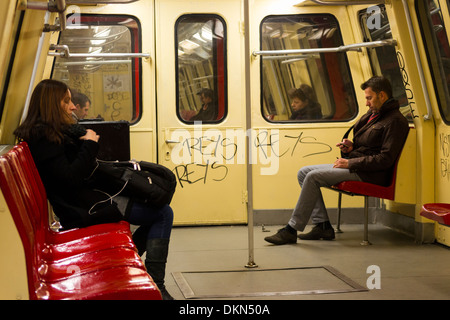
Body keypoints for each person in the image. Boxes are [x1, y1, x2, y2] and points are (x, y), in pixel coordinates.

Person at [14, 79, 174, 299]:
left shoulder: (51, 133)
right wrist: (89, 144)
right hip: (84, 207)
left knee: (158, 206)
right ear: (52, 104)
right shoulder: (45, 138)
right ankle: (156, 283)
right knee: (163, 213)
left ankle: (137, 266)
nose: (72, 106)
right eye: (67, 101)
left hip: (84, 199)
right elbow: (69, 178)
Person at [264, 76, 409, 245]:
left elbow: (385, 159)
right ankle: (322, 225)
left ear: (382, 96)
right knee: (304, 173)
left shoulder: (395, 121)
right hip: (358, 166)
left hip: (371, 174)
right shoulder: (374, 115)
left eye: (369, 98)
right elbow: (369, 146)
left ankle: (291, 229)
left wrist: (350, 163)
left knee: (313, 177)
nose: (367, 103)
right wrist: (351, 148)